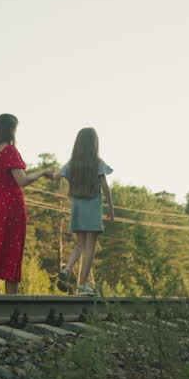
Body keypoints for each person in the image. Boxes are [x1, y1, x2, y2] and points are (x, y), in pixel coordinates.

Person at [0, 114, 57, 294]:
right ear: (10, 130)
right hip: (12, 206)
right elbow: (21, 181)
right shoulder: (9, 151)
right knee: (11, 252)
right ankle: (10, 302)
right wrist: (43, 172)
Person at [56, 127, 114, 296]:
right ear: (94, 144)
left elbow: (56, 176)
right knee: (90, 247)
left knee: (80, 245)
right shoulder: (97, 163)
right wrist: (111, 207)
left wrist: (44, 173)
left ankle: (67, 269)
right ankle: (82, 286)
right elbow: (105, 187)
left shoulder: (71, 163)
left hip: (77, 209)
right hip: (92, 209)